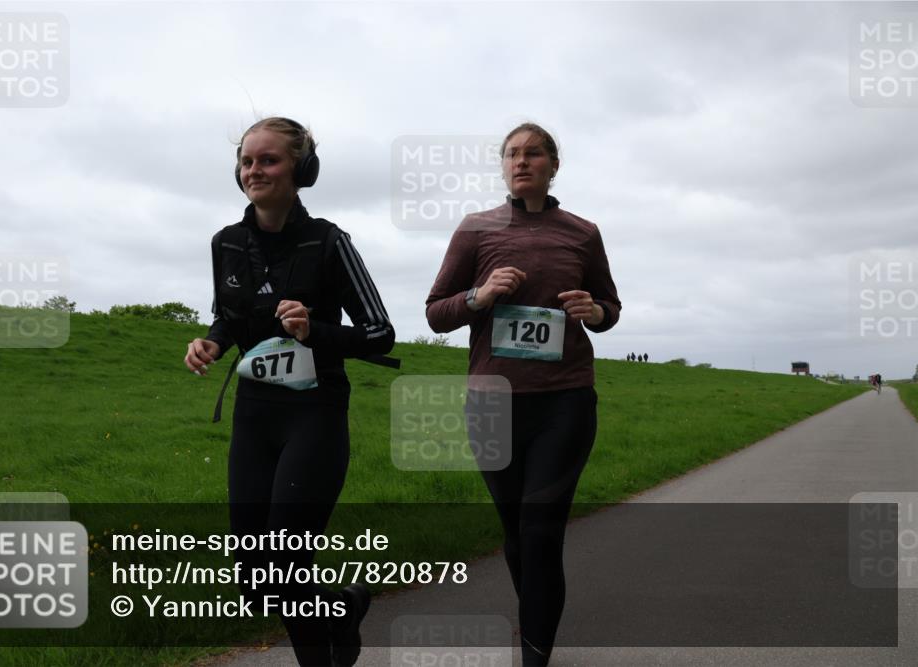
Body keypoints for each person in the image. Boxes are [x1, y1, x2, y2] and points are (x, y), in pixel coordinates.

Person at [184, 117, 395, 666]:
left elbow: (380, 333)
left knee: (285, 563)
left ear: (303, 169)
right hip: (255, 415)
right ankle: (342, 608)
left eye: (269, 159)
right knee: (256, 581)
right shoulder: (226, 243)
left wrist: (313, 331)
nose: (254, 170)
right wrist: (211, 343)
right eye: (246, 161)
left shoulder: (328, 241)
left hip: (314, 415)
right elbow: (229, 318)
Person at [425, 123, 621, 665]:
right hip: (493, 403)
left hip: (564, 399)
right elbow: (436, 313)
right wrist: (480, 295)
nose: (521, 161)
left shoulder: (582, 232)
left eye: (534, 153)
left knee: (540, 530)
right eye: (512, 154)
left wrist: (594, 310)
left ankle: (534, 653)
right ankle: (535, 617)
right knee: (515, 531)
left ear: (553, 164)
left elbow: (610, 308)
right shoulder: (477, 229)